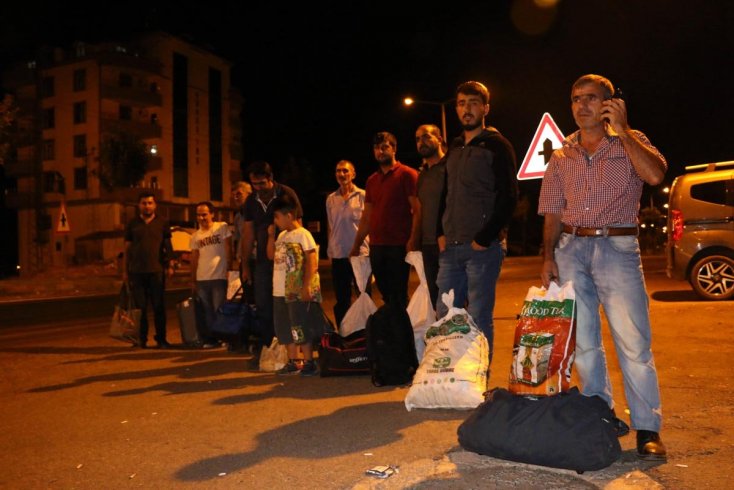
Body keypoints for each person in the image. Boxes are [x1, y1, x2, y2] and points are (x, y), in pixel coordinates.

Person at [538, 74, 667, 461]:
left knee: (633, 343)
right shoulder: (562, 154)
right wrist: (547, 257)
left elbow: (656, 174)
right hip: (571, 249)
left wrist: (624, 131)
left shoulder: (631, 142)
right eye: (576, 99)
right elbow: (552, 211)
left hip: (617, 247)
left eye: (592, 98)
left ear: (611, 104)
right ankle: (602, 417)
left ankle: (648, 428)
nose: (582, 106)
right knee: (585, 344)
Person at [436, 81, 518, 362]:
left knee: (480, 315)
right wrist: (440, 232)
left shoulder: (497, 145)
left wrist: (485, 237)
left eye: (472, 103)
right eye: (461, 103)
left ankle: (478, 377)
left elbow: (509, 196)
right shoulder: (455, 147)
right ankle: (449, 375)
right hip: (451, 248)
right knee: (445, 315)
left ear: (485, 108)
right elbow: (446, 193)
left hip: (481, 249)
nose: (466, 109)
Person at [240, 161, 303, 360]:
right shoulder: (251, 201)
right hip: (263, 261)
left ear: (271, 179)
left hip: (288, 260)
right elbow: (248, 233)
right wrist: (244, 266)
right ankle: (270, 347)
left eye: (261, 184)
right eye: (254, 184)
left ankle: (295, 350)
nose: (258, 189)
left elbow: (298, 224)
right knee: (264, 305)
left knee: (290, 306)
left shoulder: (286, 193)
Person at [350, 132, 420, 307]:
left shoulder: (407, 174)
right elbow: (367, 215)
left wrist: (413, 239)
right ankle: (392, 328)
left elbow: (418, 209)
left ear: (394, 149)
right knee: (385, 292)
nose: (380, 151)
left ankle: (403, 330)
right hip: (377, 246)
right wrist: (356, 244)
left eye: (384, 147)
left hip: (398, 245)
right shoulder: (372, 181)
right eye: (376, 148)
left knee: (398, 293)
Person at [267, 195, 322, 377]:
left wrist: (306, 286)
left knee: (299, 325)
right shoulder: (282, 235)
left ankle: (309, 361)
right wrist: (270, 237)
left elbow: (312, 261)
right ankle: (293, 361)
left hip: (295, 290)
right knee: (284, 327)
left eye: (277, 217)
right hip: (279, 290)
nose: (275, 221)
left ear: (288, 215)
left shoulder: (303, 234)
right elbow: (270, 256)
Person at [122, 191, 175, 349]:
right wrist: (125, 271)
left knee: (159, 307)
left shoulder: (162, 222)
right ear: (139, 205)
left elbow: (167, 245)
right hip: (137, 272)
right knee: (140, 309)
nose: (147, 206)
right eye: (144, 203)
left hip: (157, 271)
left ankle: (161, 339)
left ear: (155, 205)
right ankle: (141, 340)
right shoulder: (132, 224)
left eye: (150, 203)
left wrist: (170, 265)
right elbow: (127, 249)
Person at [326, 160, 369, 328]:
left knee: (364, 295)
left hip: (360, 255)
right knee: (342, 299)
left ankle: (367, 332)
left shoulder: (364, 196)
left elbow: (368, 224)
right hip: (339, 254)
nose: (341, 174)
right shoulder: (331, 199)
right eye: (338, 171)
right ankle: (345, 333)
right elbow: (331, 226)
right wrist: (330, 250)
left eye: (345, 171)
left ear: (353, 174)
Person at [190, 201, 232, 348]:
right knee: (207, 311)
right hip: (202, 278)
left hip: (218, 276)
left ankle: (225, 338)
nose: (201, 218)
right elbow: (194, 258)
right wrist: (193, 279)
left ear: (212, 214)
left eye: (204, 214)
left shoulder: (221, 227)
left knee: (219, 308)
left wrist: (229, 269)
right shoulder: (195, 236)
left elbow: (228, 248)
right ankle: (212, 339)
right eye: (198, 215)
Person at [414, 124, 446, 308]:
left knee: (453, 297)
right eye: (418, 139)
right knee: (434, 298)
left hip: (448, 244)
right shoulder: (422, 175)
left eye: (426, 137)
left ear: (439, 139)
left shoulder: (450, 168)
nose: (421, 142)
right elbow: (419, 210)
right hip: (427, 245)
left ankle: (463, 336)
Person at [230, 181, 252, 271]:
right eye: (234, 195)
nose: (235, 198)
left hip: (257, 260)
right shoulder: (238, 217)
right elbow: (238, 238)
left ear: (249, 194)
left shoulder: (258, 212)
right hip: (243, 261)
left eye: (239, 194)